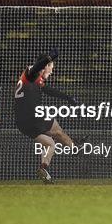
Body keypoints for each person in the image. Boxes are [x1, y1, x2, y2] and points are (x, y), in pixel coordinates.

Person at [14, 48, 81, 183]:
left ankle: (43, 169)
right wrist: (48, 58)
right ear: (45, 66)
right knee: (57, 130)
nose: (52, 71)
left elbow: (48, 90)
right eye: (51, 67)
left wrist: (67, 97)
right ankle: (74, 146)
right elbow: (37, 67)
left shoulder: (35, 78)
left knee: (50, 144)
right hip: (32, 117)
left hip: (22, 123)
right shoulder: (31, 73)